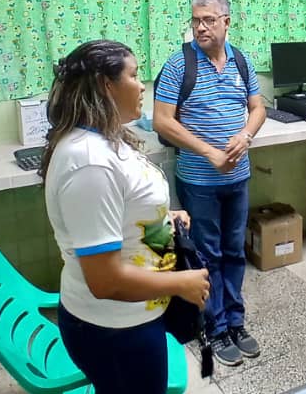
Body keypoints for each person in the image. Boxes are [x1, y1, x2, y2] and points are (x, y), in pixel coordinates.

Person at [40, 40, 210, 394]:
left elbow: (125, 207)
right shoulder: (89, 163)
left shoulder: (106, 138)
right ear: (106, 85)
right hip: (113, 329)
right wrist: (182, 283)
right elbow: (106, 281)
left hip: (136, 315)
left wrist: (161, 218)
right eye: (133, 76)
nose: (142, 85)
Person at [153, 0, 267, 367]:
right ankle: (215, 328)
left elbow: (258, 108)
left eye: (208, 20)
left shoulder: (241, 61)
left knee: (235, 252)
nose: (200, 27)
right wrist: (210, 153)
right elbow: (162, 122)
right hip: (199, 182)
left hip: (238, 179)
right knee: (207, 256)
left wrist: (245, 135)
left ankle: (236, 321)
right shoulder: (179, 64)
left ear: (226, 22)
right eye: (196, 20)